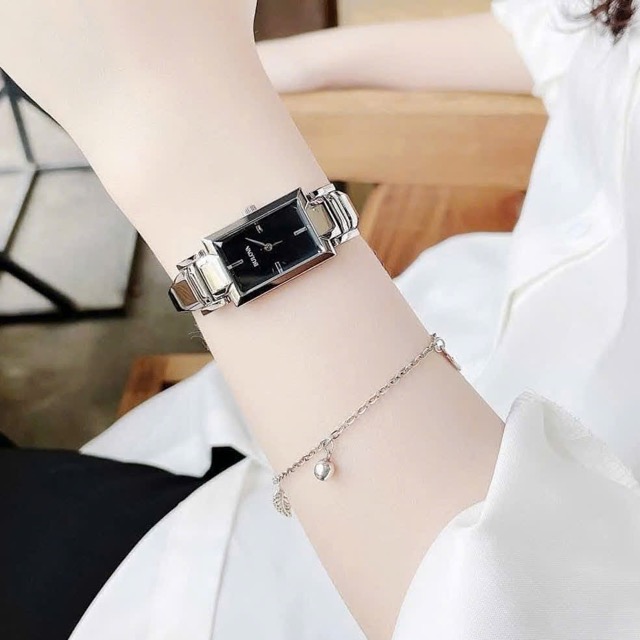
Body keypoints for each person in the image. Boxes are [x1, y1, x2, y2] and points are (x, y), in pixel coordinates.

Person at [0, 1, 639, 639]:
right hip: (401, 348)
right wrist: (251, 60)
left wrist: (174, 106)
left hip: (433, 541)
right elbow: (572, 32)